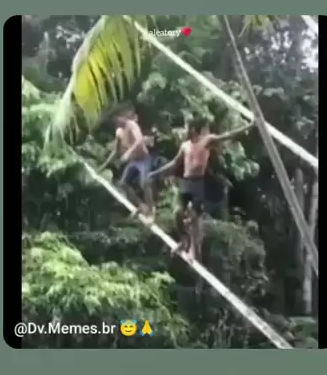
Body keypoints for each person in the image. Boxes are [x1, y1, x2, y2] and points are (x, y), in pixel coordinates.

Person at [148, 118, 254, 261]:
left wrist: (249, 126)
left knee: (194, 216)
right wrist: (155, 173)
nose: (207, 131)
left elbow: (228, 135)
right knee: (178, 213)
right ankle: (184, 241)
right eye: (205, 129)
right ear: (195, 130)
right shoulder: (185, 146)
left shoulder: (207, 141)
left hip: (198, 183)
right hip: (186, 182)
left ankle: (194, 250)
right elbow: (174, 163)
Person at [99, 106, 155, 220]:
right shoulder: (119, 132)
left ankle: (151, 210)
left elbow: (139, 140)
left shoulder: (131, 125)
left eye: (118, 118)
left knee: (144, 182)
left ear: (123, 117)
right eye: (115, 119)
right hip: (134, 162)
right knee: (123, 184)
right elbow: (116, 151)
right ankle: (141, 205)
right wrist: (103, 166)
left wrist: (128, 153)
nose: (117, 121)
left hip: (143, 159)